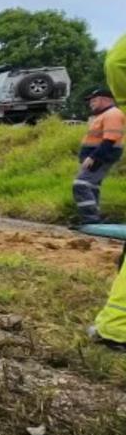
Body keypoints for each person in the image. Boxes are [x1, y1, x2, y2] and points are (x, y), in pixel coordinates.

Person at [91, 33, 126, 350]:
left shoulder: (114, 113)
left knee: (84, 186)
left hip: (99, 158)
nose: (92, 103)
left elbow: (116, 60)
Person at [74, 88, 125, 225]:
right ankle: (94, 218)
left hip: (102, 155)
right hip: (97, 154)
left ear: (106, 100)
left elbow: (110, 139)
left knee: (81, 184)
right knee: (92, 186)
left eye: (94, 100)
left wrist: (94, 157)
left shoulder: (112, 114)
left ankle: (90, 219)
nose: (91, 103)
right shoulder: (103, 115)